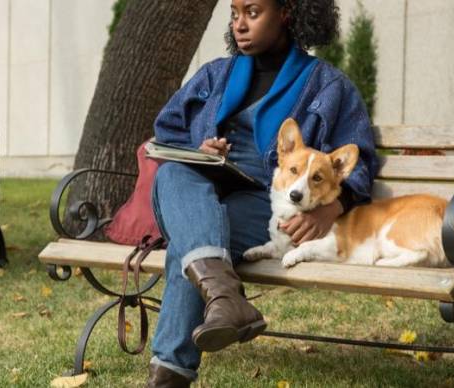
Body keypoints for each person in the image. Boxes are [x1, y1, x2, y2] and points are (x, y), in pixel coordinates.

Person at [148, 0, 379, 386]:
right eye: (235, 13)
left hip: (268, 203)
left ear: (287, 13)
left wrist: (335, 206)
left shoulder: (328, 86)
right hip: (198, 189)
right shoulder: (213, 76)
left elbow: (361, 159)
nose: (240, 24)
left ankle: (173, 371)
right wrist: (198, 150)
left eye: (252, 13)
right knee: (173, 173)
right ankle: (225, 297)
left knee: (189, 248)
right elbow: (166, 133)